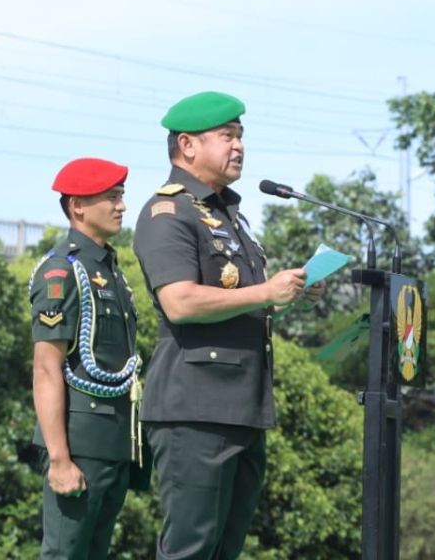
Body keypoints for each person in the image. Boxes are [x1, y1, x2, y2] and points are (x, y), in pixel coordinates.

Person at [133, 90, 316, 559]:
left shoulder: (229, 215)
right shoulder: (167, 213)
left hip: (241, 406)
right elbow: (179, 302)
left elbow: (240, 305)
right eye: (226, 136)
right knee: (190, 550)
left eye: (240, 137)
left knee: (224, 551)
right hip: (195, 410)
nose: (238, 146)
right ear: (188, 145)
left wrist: (287, 296)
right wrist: (265, 292)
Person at [29, 157, 143, 560]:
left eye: (121, 196)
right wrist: (59, 458)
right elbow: (46, 368)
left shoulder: (110, 269)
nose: (121, 206)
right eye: (111, 197)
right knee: (65, 553)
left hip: (113, 442)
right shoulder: (62, 271)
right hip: (78, 443)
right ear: (78, 205)